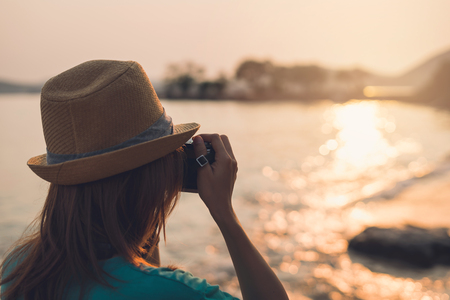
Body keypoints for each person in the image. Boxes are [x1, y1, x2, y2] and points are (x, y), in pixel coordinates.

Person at [0, 60, 289, 300]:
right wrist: (225, 214)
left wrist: (145, 209)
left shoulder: (19, 268)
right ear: (153, 175)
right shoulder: (172, 292)